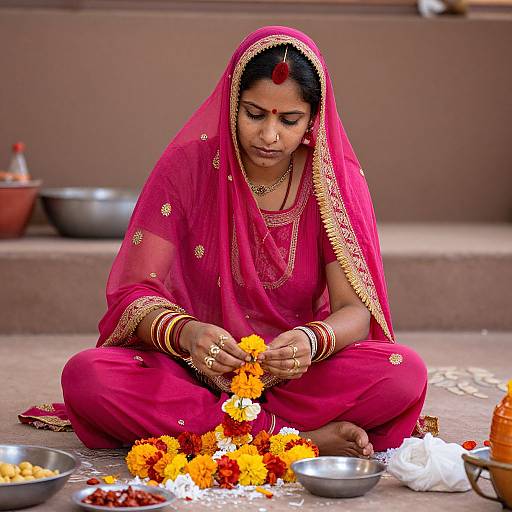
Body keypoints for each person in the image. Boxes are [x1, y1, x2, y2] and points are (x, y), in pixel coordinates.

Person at [60, 26, 427, 455]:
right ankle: (293, 439)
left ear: (313, 119)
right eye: (255, 114)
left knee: (405, 372)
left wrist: (311, 340)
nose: (270, 136)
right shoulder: (188, 168)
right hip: (190, 370)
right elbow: (135, 291)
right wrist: (187, 333)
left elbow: (353, 312)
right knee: (88, 376)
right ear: (232, 104)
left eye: (289, 120)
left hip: (296, 374)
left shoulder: (331, 182)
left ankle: (231, 434)